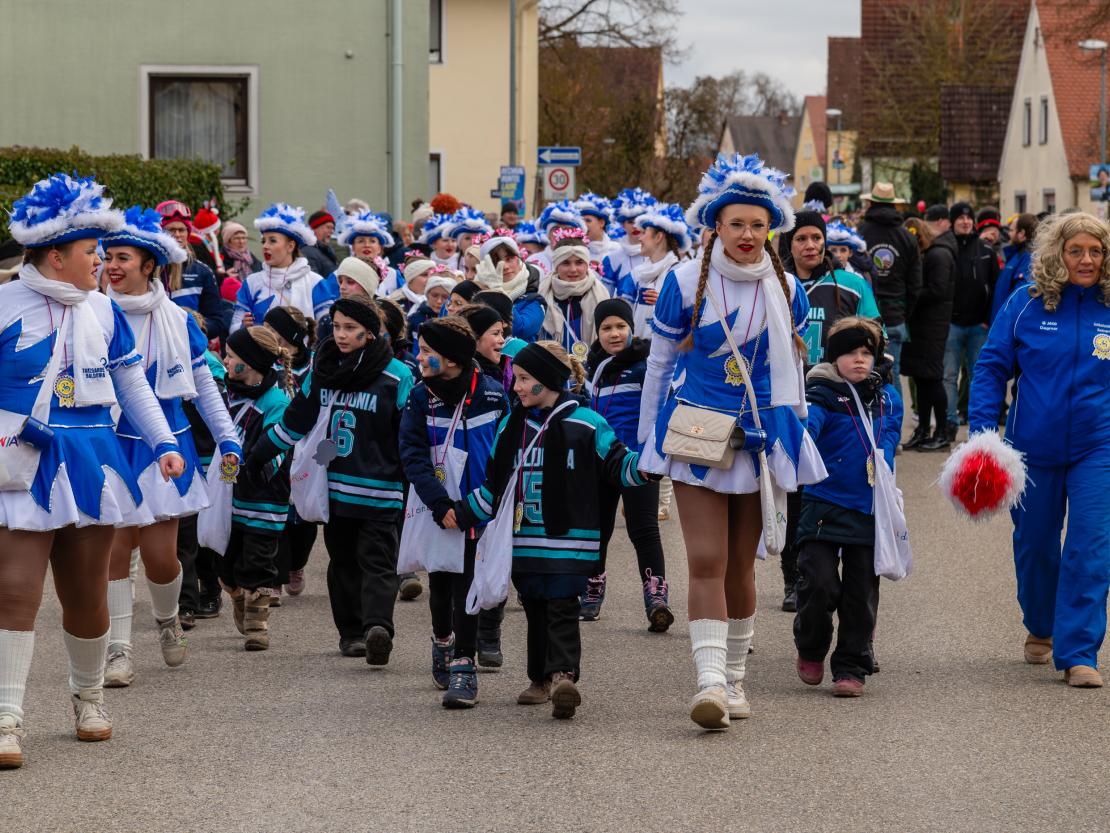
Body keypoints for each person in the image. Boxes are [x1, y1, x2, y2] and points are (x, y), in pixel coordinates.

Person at [638, 153, 826, 729]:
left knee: (743, 564)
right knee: (706, 557)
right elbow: (659, 364)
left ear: (772, 229)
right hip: (696, 432)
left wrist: (792, 435)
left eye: (758, 225)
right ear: (714, 225)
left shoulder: (788, 286)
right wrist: (647, 440)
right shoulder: (678, 281)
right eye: (736, 224)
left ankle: (737, 679)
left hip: (761, 437)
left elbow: (794, 372)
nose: (748, 235)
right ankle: (709, 684)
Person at [0, 174, 183, 768]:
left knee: (86, 592)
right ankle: (7, 719)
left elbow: (131, 382)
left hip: (93, 459)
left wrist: (161, 443)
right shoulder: (4, 303)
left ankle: (89, 700)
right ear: (57, 256)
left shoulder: (103, 310)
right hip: (20, 461)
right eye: (90, 254)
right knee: (14, 590)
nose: (102, 264)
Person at [453, 342, 648, 720]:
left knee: (561, 606)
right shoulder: (511, 425)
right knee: (536, 608)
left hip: (569, 539)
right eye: (516, 379)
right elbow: (495, 483)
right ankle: (539, 679)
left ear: (548, 380)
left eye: (525, 380)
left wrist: (651, 465)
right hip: (523, 540)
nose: (517, 387)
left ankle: (563, 676)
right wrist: (460, 513)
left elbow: (618, 464)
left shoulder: (587, 423)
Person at [99, 207, 241, 687]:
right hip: (113, 442)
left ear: (149, 266)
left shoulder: (179, 321)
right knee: (116, 548)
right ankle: (118, 650)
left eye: (122, 257)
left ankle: (166, 619)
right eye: (106, 257)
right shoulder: (92, 314)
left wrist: (227, 437)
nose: (111, 266)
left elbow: (203, 386)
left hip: (170, 444)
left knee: (162, 557)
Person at [968, 212, 1110, 688]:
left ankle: (1079, 653)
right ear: (1058, 253)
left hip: (1099, 447)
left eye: (1096, 251)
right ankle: (1041, 625)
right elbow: (990, 367)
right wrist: (984, 435)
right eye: (1077, 251)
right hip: (1031, 449)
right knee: (1036, 548)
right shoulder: (1026, 303)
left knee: (1089, 548)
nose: (1087, 260)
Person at [246, 297, 414, 662]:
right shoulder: (324, 370)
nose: (341, 335)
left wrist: (417, 482)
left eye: (351, 328)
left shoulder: (397, 375)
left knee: (379, 562)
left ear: (370, 333)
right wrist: (258, 453)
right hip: (335, 489)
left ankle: (377, 628)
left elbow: (409, 436)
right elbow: (295, 421)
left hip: (382, 488)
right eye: (336, 326)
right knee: (343, 563)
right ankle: (352, 634)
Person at [399, 317, 509, 706]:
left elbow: (504, 456)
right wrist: (440, 503)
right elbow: (411, 454)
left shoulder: (494, 396)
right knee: (441, 586)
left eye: (428, 352)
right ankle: (442, 639)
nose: (420, 357)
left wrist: (477, 505)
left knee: (468, 585)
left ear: (451, 359)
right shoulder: (418, 396)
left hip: (477, 509)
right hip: (436, 507)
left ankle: (464, 665)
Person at [777, 207, 882, 611]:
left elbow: (876, 335)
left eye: (816, 238)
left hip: (842, 399)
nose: (809, 245)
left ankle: (847, 570)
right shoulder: (776, 284)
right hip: (792, 397)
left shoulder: (851, 284)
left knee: (836, 483)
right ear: (790, 243)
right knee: (796, 490)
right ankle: (795, 576)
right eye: (801, 238)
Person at [794, 317, 902, 697]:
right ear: (833, 357)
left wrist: (884, 453)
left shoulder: (885, 395)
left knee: (860, 592)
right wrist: (802, 437)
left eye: (865, 353)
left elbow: (890, 429)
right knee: (819, 583)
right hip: (823, 501)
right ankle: (811, 647)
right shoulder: (820, 392)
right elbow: (808, 429)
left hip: (869, 505)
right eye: (850, 353)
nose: (859, 360)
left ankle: (851, 665)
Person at [584, 299, 671, 630]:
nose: (614, 333)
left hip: (638, 462)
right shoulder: (592, 366)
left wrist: (655, 453)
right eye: (606, 327)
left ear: (632, 328)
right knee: (596, 531)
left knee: (644, 530)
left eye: (621, 326)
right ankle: (592, 591)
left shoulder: (646, 362)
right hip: (599, 463)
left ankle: (656, 598)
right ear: (598, 331)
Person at [217, 326, 293, 650]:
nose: (225, 360)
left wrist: (255, 469)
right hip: (228, 494)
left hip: (264, 494)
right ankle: (236, 594)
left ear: (248, 362)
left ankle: (257, 622)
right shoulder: (225, 394)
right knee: (224, 560)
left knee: (259, 559)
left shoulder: (276, 400)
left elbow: (277, 445)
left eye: (231, 356)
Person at [264, 306, 319, 601]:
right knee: (276, 514)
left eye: (271, 330)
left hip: (309, 452)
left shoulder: (314, 368)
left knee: (303, 521)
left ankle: (297, 564)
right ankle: (274, 577)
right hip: (275, 448)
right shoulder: (264, 364)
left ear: (290, 338)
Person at [939, 202, 1000, 442]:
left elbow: (996, 287)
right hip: (952, 325)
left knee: (979, 376)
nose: (965, 221)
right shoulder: (946, 248)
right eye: (960, 218)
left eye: (968, 218)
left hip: (979, 326)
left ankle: (979, 424)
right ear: (953, 221)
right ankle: (950, 422)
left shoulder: (985, 249)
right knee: (949, 376)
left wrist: (988, 319)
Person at [855, 182, 922, 384]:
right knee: (892, 373)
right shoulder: (907, 237)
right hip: (895, 316)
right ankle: (894, 415)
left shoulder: (859, 233)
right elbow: (916, 285)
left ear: (871, 202)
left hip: (863, 317)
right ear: (894, 205)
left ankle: (869, 416)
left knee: (860, 374)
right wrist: (904, 313)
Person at [901, 218, 956, 451]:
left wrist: (910, 293)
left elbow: (938, 289)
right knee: (921, 379)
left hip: (933, 325)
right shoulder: (929, 255)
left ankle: (942, 431)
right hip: (921, 324)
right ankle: (923, 429)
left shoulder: (938, 255)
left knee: (932, 379)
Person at [232, 204, 333, 332]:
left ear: (290, 246)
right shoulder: (251, 282)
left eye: (272, 241)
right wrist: (243, 327)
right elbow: (234, 327)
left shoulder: (315, 282)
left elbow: (327, 331)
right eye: (264, 241)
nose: (265, 246)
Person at [155, 201, 229, 342]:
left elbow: (217, 320)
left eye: (181, 230)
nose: (177, 235)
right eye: (171, 230)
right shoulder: (147, 269)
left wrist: (196, 328)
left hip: (190, 348)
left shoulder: (202, 271)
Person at [620, 203, 692, 340]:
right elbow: (621, 314)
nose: (640, 238)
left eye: (644, 233)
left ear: (658, 237)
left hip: (668, 355)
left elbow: (693, 320)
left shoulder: (681, 274)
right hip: (635, 352)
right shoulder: (636, 274)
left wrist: (666, 303)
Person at [537, 228, 610, 360]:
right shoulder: (541, 293)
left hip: (590, 370)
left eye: (579, 262)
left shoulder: (601, 295)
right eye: (565, 263)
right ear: (556, 265)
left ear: (587, 264)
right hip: (551, 369)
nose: (573, 269)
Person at [474, 232, 546, 342]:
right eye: (497, 261)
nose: (505, 267)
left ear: (518, 259)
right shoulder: (475, 294)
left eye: (509, 259)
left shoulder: (533, 300)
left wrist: (498, 294)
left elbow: (521, 330)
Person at [601, 188, 656, 295]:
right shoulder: (612, 259)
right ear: (622, 224)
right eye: (630, 222)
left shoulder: (658, 255)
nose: (635, 226)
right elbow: (605, 297)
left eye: (639, 221)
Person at [990, 213, 1038, 325]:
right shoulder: (1016, 255)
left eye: (1011, 230)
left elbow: (1019, 299)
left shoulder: (1027, 258)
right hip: (1002, 324)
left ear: (1021, 234)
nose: (1008, 234)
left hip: (1008, 327)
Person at [529, 201, 588, 275]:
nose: (561, 233)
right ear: (548, 235)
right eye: (556, 229)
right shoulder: (534, 260)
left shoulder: (583, 260)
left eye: (567, 229)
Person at [407, 273, 456, 340]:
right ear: (427, 295)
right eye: (434, 295)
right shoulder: (414, 319)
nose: (439, 301)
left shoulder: (456, 323)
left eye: (445, 297)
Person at [575, 194, 618, 264]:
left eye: (588, 220)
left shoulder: (616, 249)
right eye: (581, 221)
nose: (583, 225)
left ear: (601, 223)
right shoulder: (575, 251)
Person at [220, 221, 262, 287]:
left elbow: (260, 269)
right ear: (228, 241)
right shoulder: (221, 256)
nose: (241, 242)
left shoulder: (247, 255)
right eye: (237, 238)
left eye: (243, 238)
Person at [304, 210, 339, 279]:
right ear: (315, 228)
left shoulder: (327, 250)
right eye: (328, 227)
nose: (332, 231)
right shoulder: (308, 251)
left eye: (333, 228)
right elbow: (314, 282)